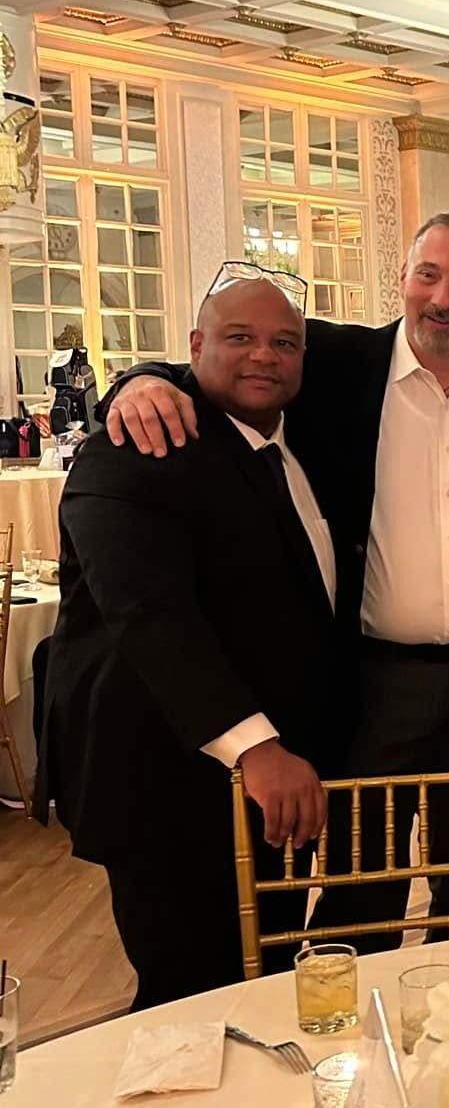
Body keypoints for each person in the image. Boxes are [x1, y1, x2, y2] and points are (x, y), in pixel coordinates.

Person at [101, 212, 449, 946]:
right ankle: (350, 1052)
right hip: (369, 683)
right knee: (359, 897)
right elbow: (229, 359)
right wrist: (140, 381)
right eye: (428, 275)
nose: (444, 297)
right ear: (402, 282)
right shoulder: (336, 366)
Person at [36, 271, 337, 1007]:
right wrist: (256, 748)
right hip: (163, 777)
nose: (264, 355)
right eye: (239, 338)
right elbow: (146, 610)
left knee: (257, 982)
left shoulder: (300, 440)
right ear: (194, 346)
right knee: (188, 1001)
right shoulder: (138, 441)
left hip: (274, 788)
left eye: (284, 342)